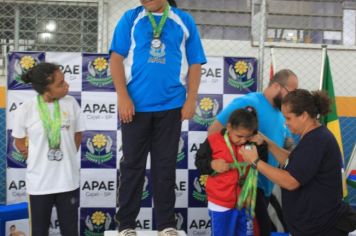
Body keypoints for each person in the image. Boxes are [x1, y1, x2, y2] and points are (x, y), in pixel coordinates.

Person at [109, 0, 206, 235]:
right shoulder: (130, 18)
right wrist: (123, 97)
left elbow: (195, 63)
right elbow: (115, 59)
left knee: (165, 167)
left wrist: (191, 99)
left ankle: (166, 224)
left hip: (171, 106)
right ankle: (126, 225)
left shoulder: (184, 20)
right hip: (135, 108)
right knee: (132, 166)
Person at [239, 89, 356, 236]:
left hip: (323, 229)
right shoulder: (313, 136)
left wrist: (255, 161)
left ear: (304, 116)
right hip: (314, 227)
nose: (285, 123)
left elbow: (290, 181)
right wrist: (267, 142)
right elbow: (292, 161)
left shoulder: (316, 140)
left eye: (288, 118)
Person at [208, 69, 298, 235]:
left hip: (267, 187)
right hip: (248, 186)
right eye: (291, 93)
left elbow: (287, 145)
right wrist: (229, 166)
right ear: (277, 85)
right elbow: (214, 132)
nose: (292, 98)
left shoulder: (281, 114)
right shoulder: (248, 102)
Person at [12, 63, 84, 236]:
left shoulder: (71, 103)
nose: (66, 85)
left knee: (70, 231)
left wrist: (66, 156)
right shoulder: (26, 109)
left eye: (65, 81)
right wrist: (37, 157)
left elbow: (78, 135)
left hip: (68, 181)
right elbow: (19, 141)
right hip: (40, 184)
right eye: (60, 84)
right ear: (46, 89)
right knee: (39, 231)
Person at [195, 107, 268, 236]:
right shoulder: (213, 140)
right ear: (229, 127)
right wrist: (212, 164)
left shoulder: (251, 143)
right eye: (239, 136)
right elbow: (199, 161)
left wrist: (261, 146)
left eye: (247, 137)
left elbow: (261, 163)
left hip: (245, 202)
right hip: (220, 203)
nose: (243, 140)